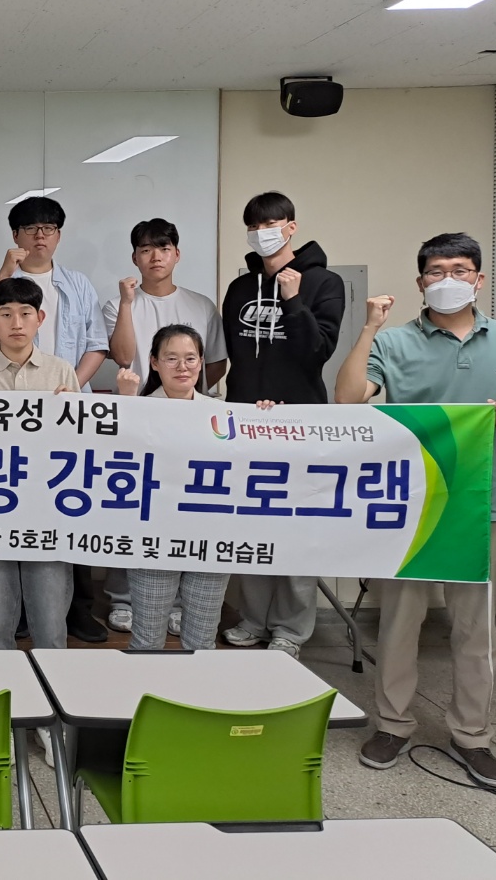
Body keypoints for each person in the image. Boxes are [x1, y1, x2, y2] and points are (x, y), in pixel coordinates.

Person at [335, 233, 496, 788]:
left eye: (460, 270)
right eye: (437, 271)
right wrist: (368, 328)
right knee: (399, 622)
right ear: (421, 282)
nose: (448, 280)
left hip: (482, 504)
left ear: (479, 279)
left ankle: (473, 736)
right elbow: (347, 399)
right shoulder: (394, 343)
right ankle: (393, 724)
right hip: (411, 505)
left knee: (476, 629)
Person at [0, 195, 110, 643]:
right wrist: (5, 272)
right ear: (15, 235)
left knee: (58, 556)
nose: (39, 236)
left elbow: (96, 343)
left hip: (60, 407)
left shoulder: (77, 284)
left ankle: (70, 620)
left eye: (48, 228)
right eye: (30, 228)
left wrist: (67, 390)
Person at [0, 276, 77, 769]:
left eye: (26, 314)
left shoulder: (62, 370)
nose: (16, 323)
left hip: (48, 517)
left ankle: (51, 722)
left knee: (50, 628)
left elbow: (81, 444)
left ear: (40, 319)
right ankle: (4, 720)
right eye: (5, 314)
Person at [221, 192, 344, 659]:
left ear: (291, 226)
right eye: (254, 226)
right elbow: (238, 355)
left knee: (297, 530)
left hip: (300, 426)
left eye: (271, 224)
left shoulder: (324, 283)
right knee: (250, 527)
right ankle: (253, 619)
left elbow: (318, 352)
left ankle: (291, 628)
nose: (262, 233)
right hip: (246, 425)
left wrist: (293, 301)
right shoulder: (240, 288)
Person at [101, 218, 227, 637]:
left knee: (187, 499)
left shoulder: (201, 305)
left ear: (177, 254)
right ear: (135, 257)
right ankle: (125, 600)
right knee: (135, 501)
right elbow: (122, 356)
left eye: (163, 248)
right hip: (139, 411)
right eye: (145, 249)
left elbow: (215, 363)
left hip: (192, 418)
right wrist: (125, 303)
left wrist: (191, 390)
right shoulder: (119, 303)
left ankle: (177, 604)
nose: (155, 256)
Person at [113, 325, 272, 652]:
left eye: (190, 358)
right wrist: (126, 404)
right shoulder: (138, 408)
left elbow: (250, 464)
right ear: (154, 362)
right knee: (147, 641)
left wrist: (265, 420)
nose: (182, 367)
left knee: (201, 642)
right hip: (153, 538)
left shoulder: (224, 414)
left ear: (201, 362)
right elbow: (115, 463)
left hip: (209, 537)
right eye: (171, 358)